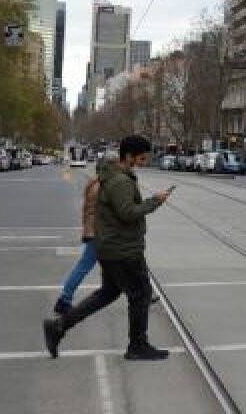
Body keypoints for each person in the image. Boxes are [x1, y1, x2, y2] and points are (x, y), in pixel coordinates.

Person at [44, 135, 172, 361]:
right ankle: (137, 345)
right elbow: (128, 212)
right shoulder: (121, 181)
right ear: (129, 156)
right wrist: (155, 201)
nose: (143, 162)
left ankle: (59, 326)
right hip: (123, 249)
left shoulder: (114, 176)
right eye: (141, 158)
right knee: (141, 294)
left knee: (108, 293)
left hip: (111, 247)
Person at [52, 161, 106, 315]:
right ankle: (64, 300)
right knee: (122, 264)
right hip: (99, 233)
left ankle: (64, 300)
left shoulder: (94, 183)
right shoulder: (100, 187)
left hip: (94, 232)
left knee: (87, 266)